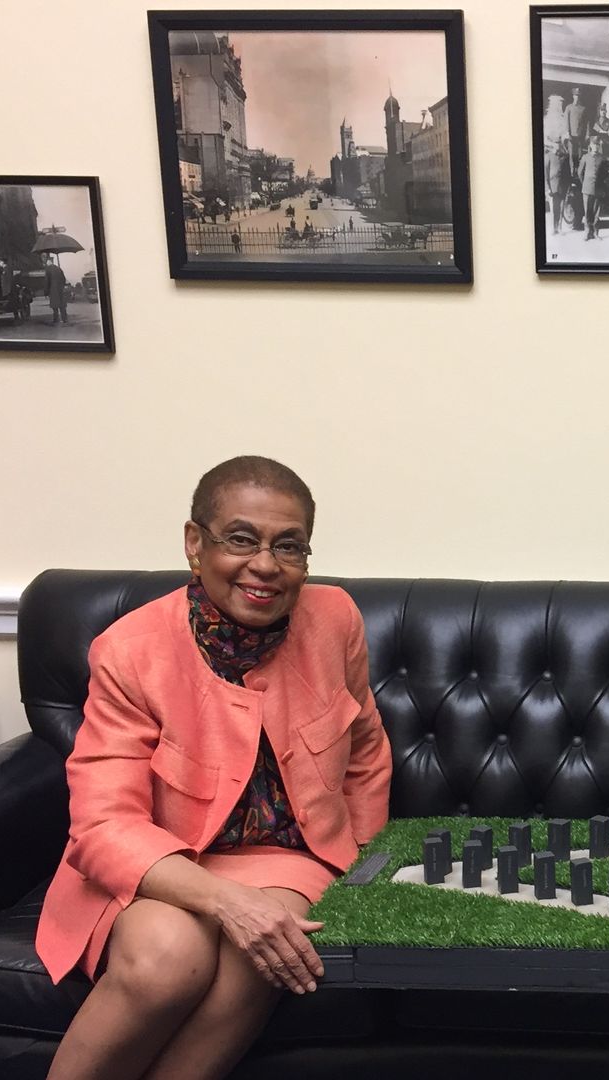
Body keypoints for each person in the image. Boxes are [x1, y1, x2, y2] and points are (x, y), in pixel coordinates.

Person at [37, 456, 392, 1080]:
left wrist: (366, 863)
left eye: (289, 547)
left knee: (264, 950)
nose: (265, 565)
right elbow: (104, 823)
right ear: (194, 543)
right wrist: (227, 901)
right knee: (166, 957)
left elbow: (364, 747)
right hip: (162, 860)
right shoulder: (129, 651)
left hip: (291, 854)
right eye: (241, 539)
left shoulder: (335, 618)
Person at [577, 137, 608, 241]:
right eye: (594, 145)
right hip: (587, 189)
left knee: (596, 212)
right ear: (590, 145)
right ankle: (587, 233)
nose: (596, 147)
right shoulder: (585, 157)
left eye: (597, 145)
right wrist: (585, 184)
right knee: (587, 212)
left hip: (598, 189)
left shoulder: (602, 158)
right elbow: (580, 173)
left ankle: (595, 233)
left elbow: (604, 174)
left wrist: (601, 187)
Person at [545, 137, 572, 235]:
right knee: (554, 209)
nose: (557, 145)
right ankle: (554, 228)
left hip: (562, 187)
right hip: (553, 188)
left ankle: (560, 228)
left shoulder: (564, 157)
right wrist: (547, 188)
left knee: (561, 208)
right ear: (553, 145)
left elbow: (567, 173)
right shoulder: (549, 156)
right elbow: (546, 174)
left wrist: (568, 187)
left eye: (559, 143)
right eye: (556, 143)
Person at [44, 258, 69, 326]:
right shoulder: (59, 268)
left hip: (53, 290)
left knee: (55, 306)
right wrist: (62, 286)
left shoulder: (48, 269)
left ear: (48, 263)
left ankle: (56, 319)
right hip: (60, 289)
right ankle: (65, 319)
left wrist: (46, 292)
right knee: (62, 305)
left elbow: (47, 282)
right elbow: (64, 279)